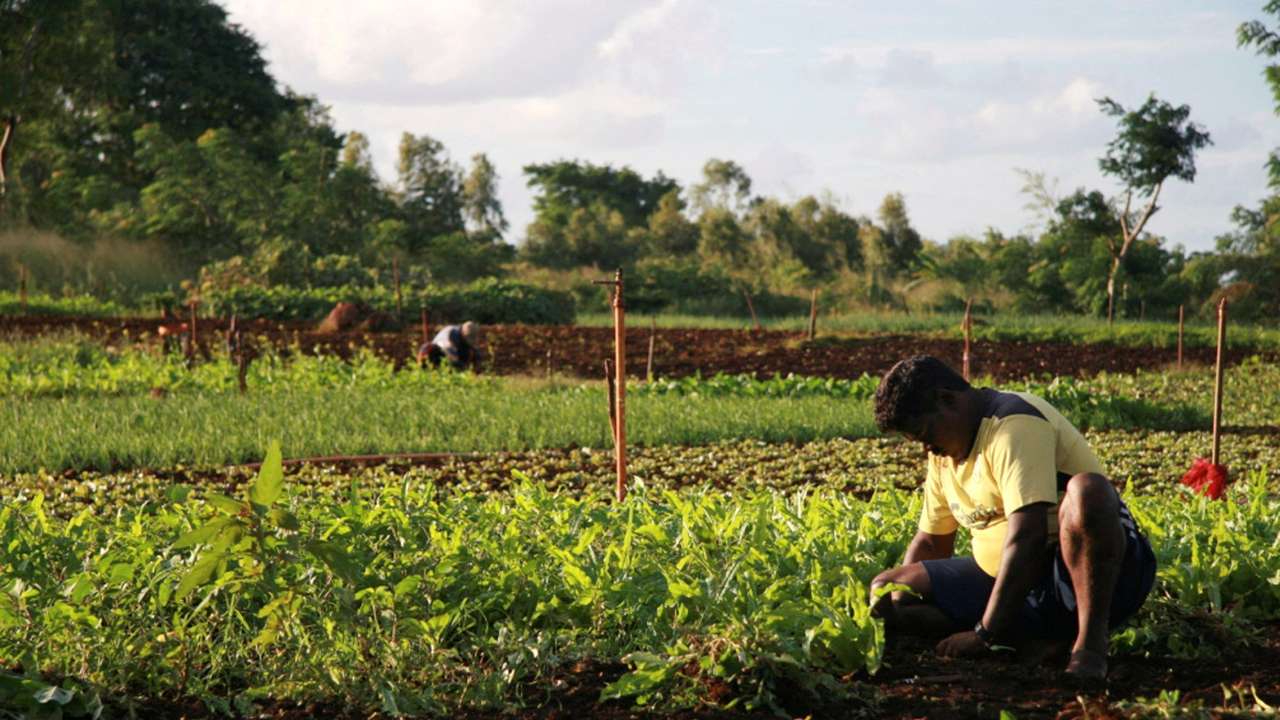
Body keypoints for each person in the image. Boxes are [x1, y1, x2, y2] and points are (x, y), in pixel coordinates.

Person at [867, 355, 1155, 683]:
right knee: (890, 591)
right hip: (1020, 586)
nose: (927, 449)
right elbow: (932, 541)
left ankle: (1088, 646)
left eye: (925, 433)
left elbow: (1028, 536)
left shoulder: (1014, 424)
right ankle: (1033, 639)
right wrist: (892, 608)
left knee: (1087, 491)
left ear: (948, 400)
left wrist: (985, 633)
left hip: (1080, 576)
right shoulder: (945, 455)